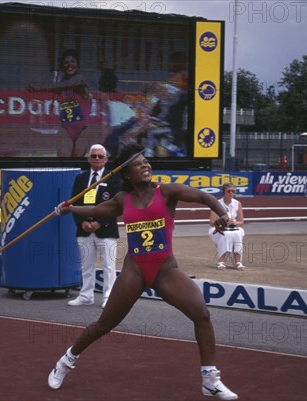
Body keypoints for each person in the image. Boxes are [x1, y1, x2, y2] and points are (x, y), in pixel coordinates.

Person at [49, 143, 238, 400]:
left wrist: (223, 215)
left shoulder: (167, 191)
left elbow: (205, 197)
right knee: (104, 324)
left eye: (146, 161)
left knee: (201, 314)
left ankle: (210, 379)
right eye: (138, 164)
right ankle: (66, 361)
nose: (146, 165)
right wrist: (70, 209)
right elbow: (95, 210)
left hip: (165, 270)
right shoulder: (122, 199)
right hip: (135, 272)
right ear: (127, 174)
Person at [68, 144, 120, 309]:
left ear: (106, 159)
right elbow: (73, 203)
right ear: (88, 158)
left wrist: (99, 222)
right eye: (94, 156)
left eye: (100, 156)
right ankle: (85, 295)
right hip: (84, 229)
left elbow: (117, 205)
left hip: (106, 229)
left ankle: (108, 297)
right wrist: (82, 222)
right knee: (86, 264)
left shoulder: (113, 178)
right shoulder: (80, 178)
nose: (97, 159)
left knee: (108, 266)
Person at [208, 183, 245, 270]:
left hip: (234, 227)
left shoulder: (238, 203)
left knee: (238, 233)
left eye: (233, 191)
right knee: (226, 234)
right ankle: (221, 261)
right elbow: (212, 222)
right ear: (224, 192)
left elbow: (241, 222)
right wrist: (223, 223)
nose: (231, 193)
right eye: (228, 191)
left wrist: (234, 223)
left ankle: (238, 262)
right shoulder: (216, 203)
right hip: (218, 228)